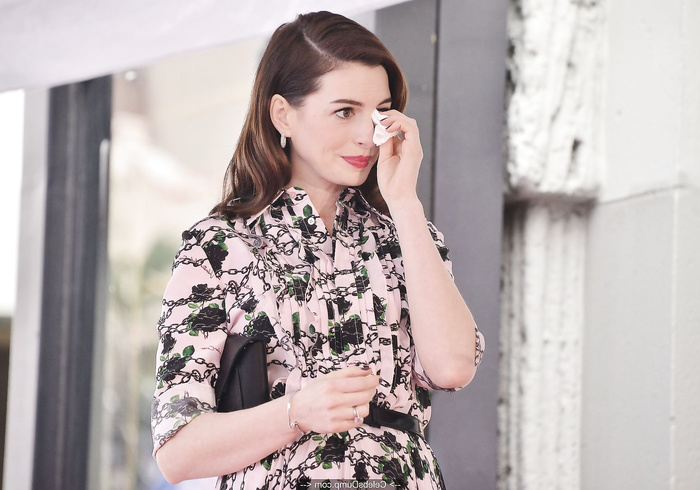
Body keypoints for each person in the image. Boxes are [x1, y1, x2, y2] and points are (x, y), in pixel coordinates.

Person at [151, 10, 484, 490]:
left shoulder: (407, 236)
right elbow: (177, 453)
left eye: (379, 113)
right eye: (345, 111)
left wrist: (404, 201)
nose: (368, 135)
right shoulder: (219, 247)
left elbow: (452, 368)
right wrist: (297, 412)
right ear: (282, 114)